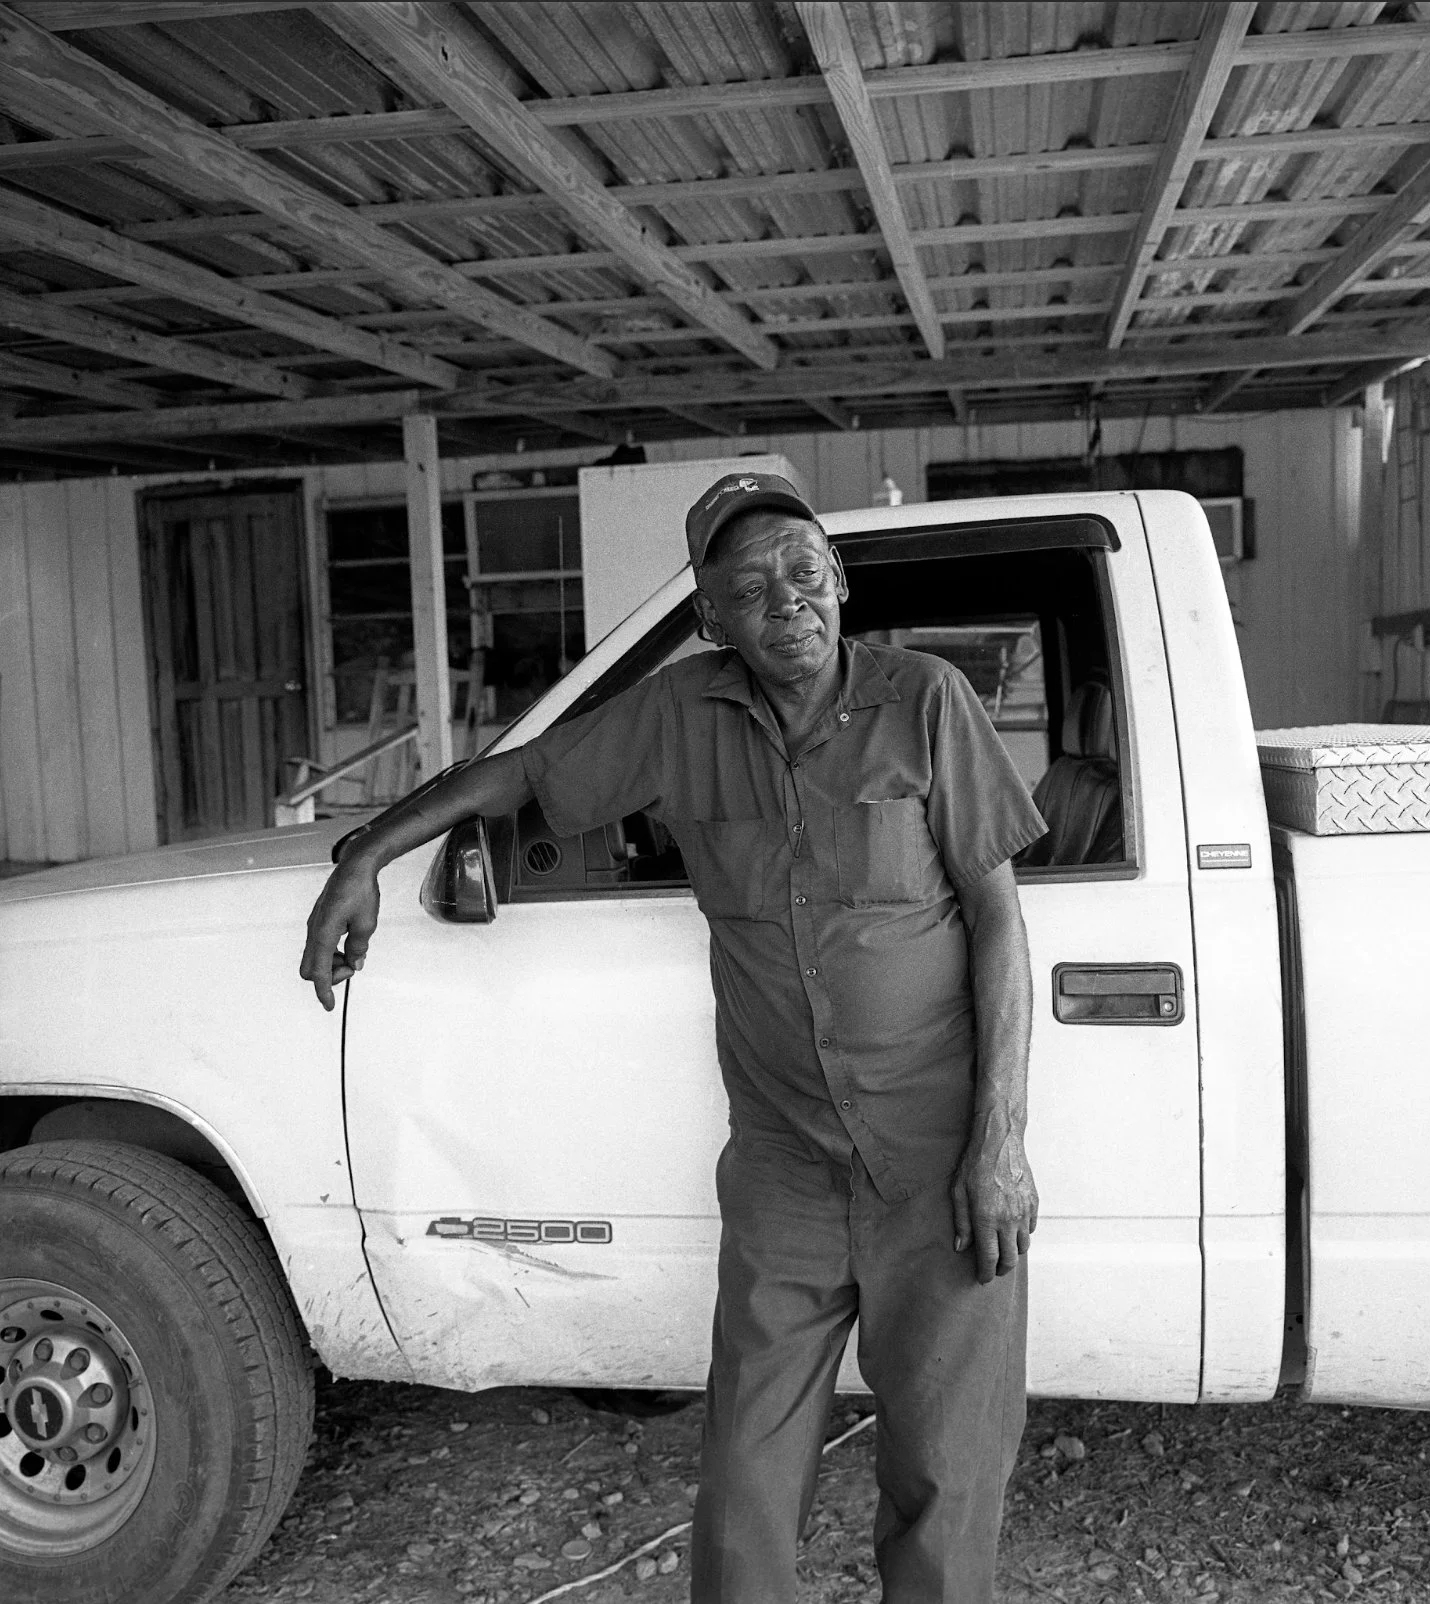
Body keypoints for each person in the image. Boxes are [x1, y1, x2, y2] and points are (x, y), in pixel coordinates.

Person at [300, 473, 1047, 1602]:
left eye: (802, 570)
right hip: (786, 1168)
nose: (783, 598)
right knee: (743, 1483)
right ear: (710, 619)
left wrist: (997, 1146)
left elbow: (997, 921)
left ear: (838, 582)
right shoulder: (679, 714)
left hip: (934, 1158)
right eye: (746, 586)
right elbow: (522, 775)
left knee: (947, 1479)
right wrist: (364, 851)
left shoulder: (926, 700)